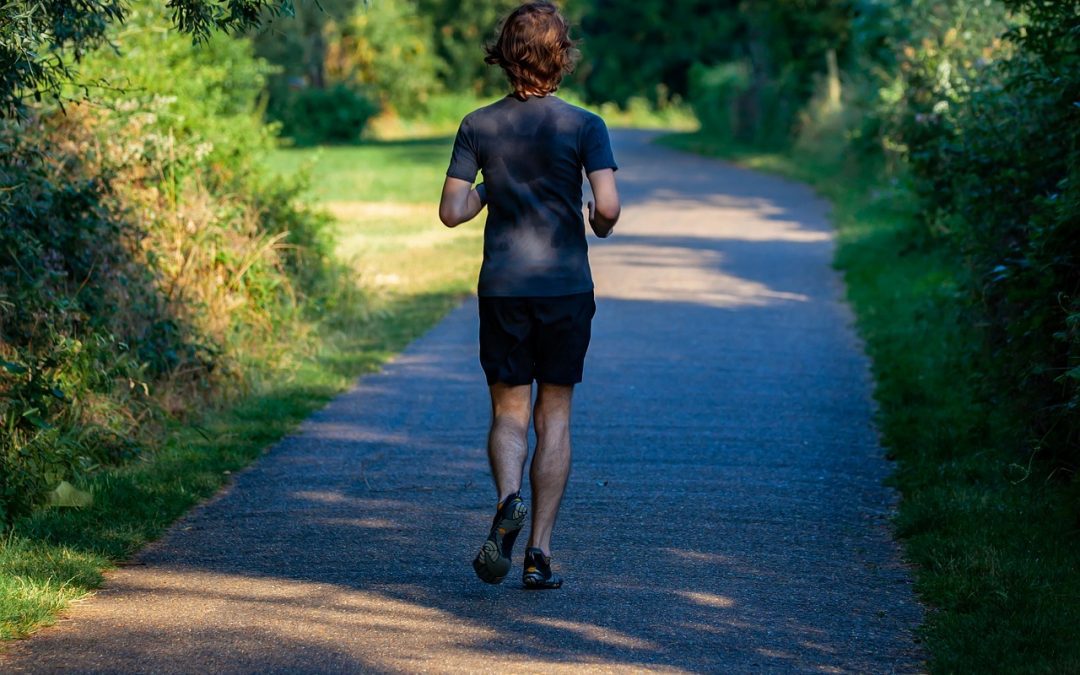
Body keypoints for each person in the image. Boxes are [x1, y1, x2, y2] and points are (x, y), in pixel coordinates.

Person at [438, 1, 620, 590]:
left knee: (508, 413)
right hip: (566, 288)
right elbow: (609, 206)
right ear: (560, 56)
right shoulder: (585, 125)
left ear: (505, 54)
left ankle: (507, 499)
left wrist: (490, 188)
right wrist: (601, 223)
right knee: (555, 414)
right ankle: (538, 556)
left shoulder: (477, 125)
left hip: (504, 290)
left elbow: (451, 211)